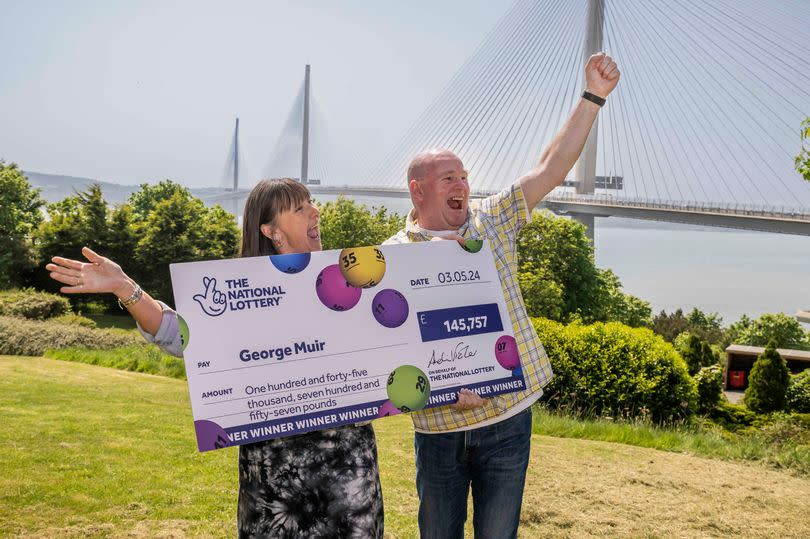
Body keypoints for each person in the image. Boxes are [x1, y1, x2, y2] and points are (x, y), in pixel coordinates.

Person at [46, 179, 384, 538]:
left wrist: (449, 256)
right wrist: (124, 287)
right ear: (270, 230)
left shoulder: (352, 284)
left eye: (311, 203)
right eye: (300, 208)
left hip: (349, 479)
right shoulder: (237, 290)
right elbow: (175, 333)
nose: (315, 211)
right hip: (275, 485)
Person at [384, 52, 620, 538]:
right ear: (417, 191)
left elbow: (550, 167)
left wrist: (592, 98)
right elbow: (389, 350)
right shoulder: (390, 257)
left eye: (465, 177)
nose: (463, 186)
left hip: (506, 421)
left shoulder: (493, 222)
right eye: (449, 178)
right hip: (438, 432)